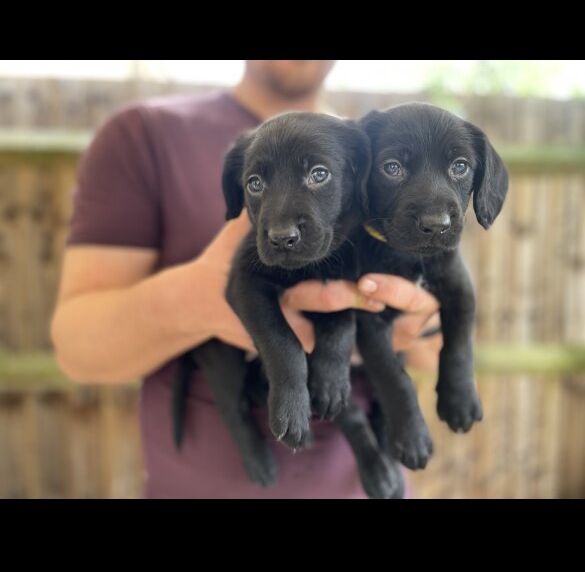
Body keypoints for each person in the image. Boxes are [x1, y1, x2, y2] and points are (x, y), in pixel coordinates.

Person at [51, 60, 441, 499]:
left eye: (319, 175)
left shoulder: (381, 155)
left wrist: (419, 328)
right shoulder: (144, 135)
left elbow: (433, 346)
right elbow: (77, 348)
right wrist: (204, 300)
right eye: (256, 183)